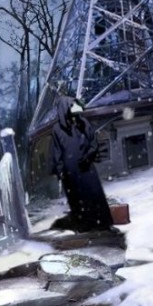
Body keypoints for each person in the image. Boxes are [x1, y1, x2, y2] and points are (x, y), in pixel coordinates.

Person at [50, 96, 114, 232]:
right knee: (77, 199)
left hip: (86, 167)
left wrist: (88, 156)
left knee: (94, 194)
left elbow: (93, 143)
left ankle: (102, 223)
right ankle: (84, 225)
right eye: (70, 106)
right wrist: (60, 171)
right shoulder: (57, 129)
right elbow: (57, 152)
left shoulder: (83, 123)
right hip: (70, 172)